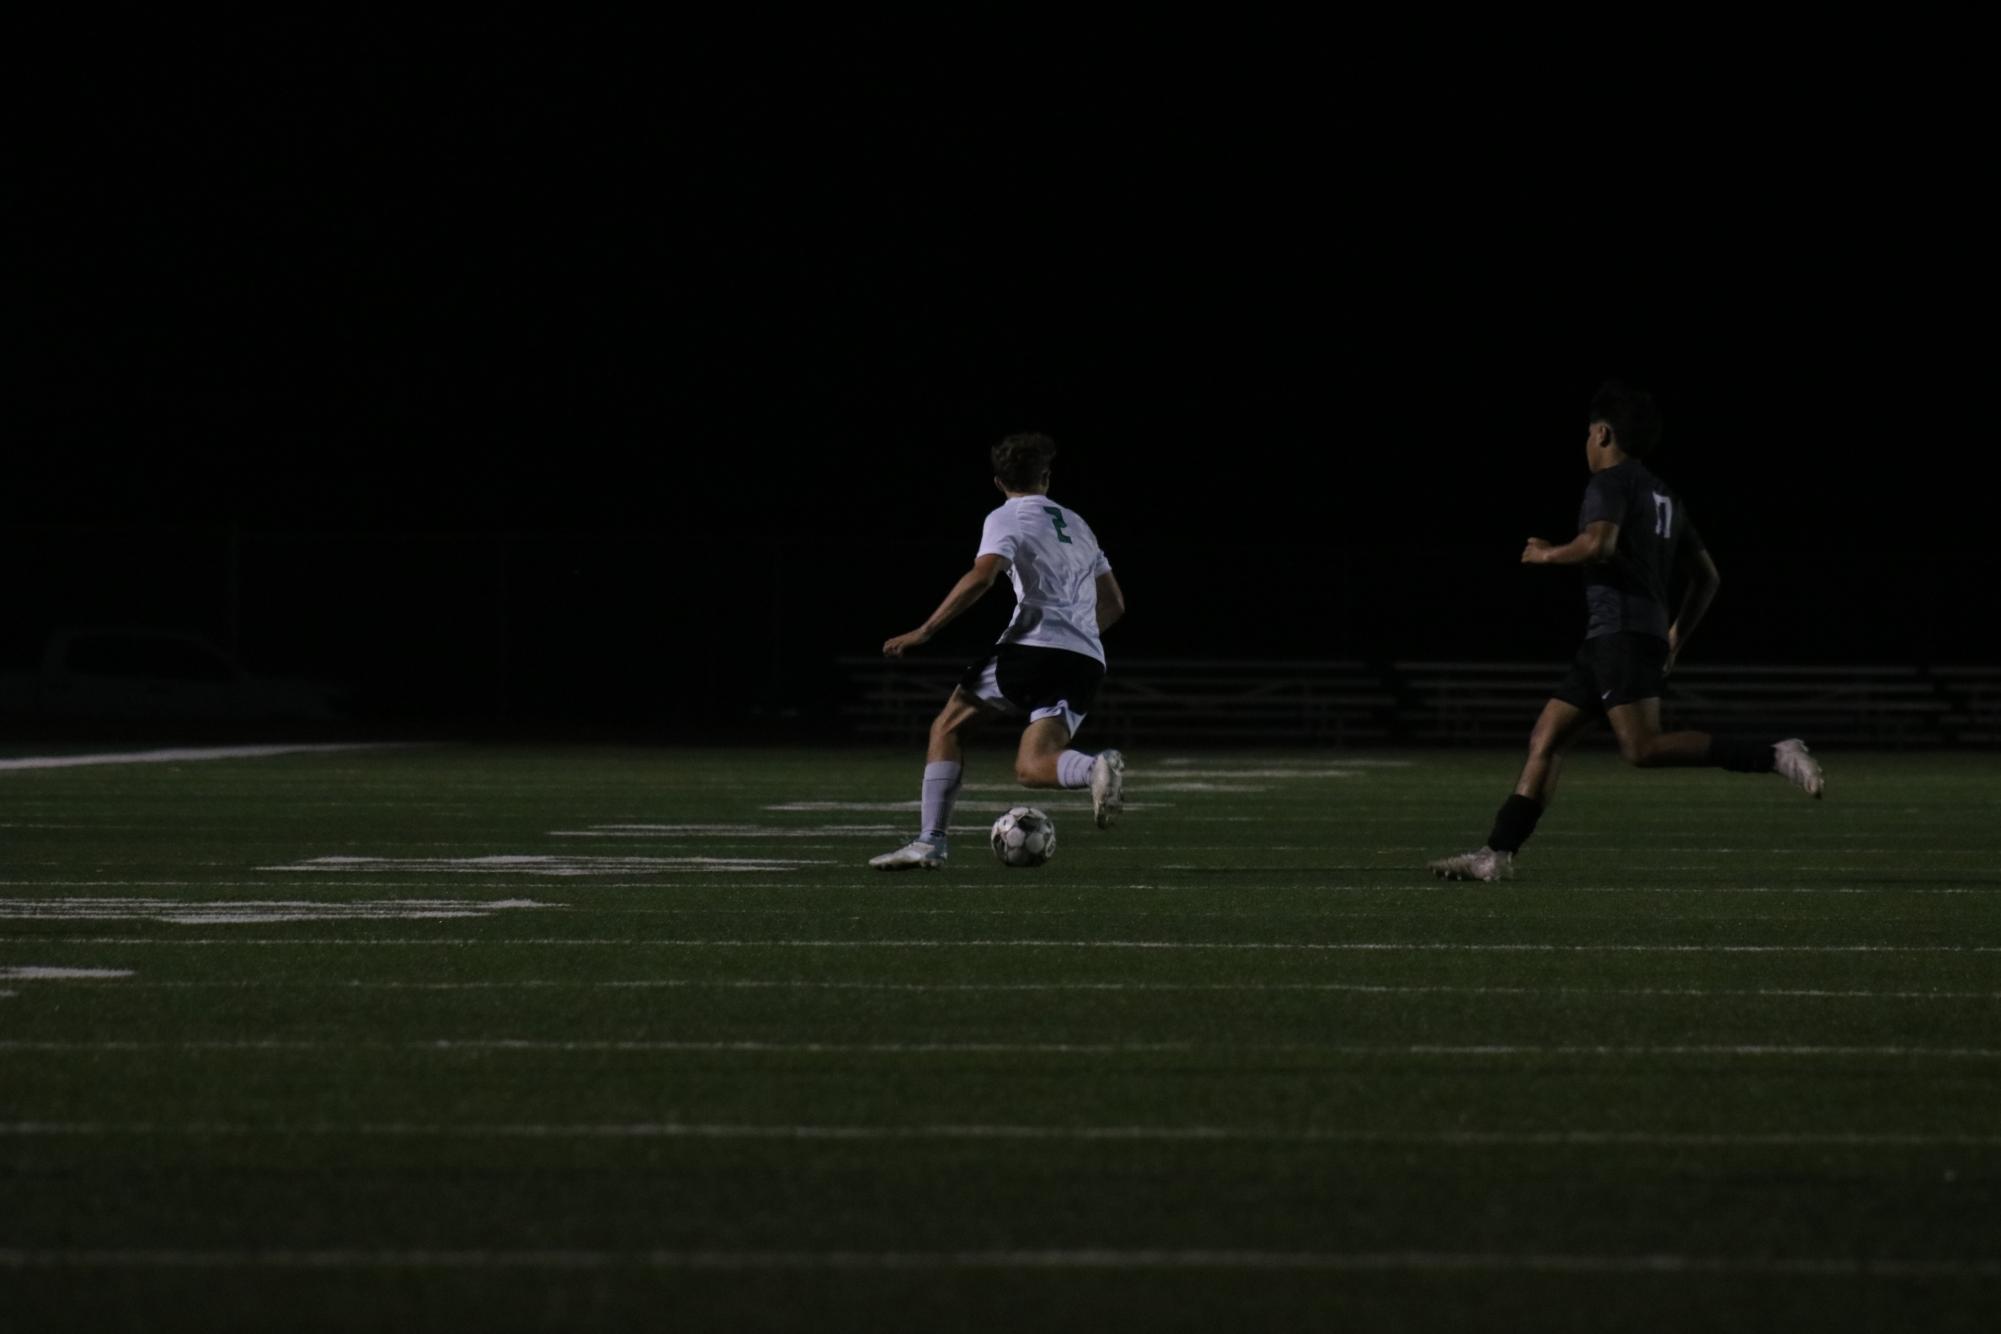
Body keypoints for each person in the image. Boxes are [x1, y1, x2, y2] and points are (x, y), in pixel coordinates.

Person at [1429, 381, 1824, 883]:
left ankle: (1773, 753)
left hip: (1622, 633)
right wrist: (1676, 632)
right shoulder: (1665, 495)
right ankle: (1497, 854)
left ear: (1602, 433)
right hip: (1615, 636)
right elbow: (1708, 578)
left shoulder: (1611, 482)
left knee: (1642, 749)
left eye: (1588, 434)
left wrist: (1546, 553)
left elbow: (1599, 545)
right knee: (1545, 738)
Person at [869, 432, 1128, 870]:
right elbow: (1115, 604)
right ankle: (1092, 770)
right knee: (1032, 766)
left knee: (948, 726)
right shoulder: (1079, 524)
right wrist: (1076, 637)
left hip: (1032, 646)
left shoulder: (1007, 516)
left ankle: (931, 841)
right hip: (1085, 657)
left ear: (998, 482)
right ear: (1046, 476)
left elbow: (983, 575)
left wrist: (925, 630)